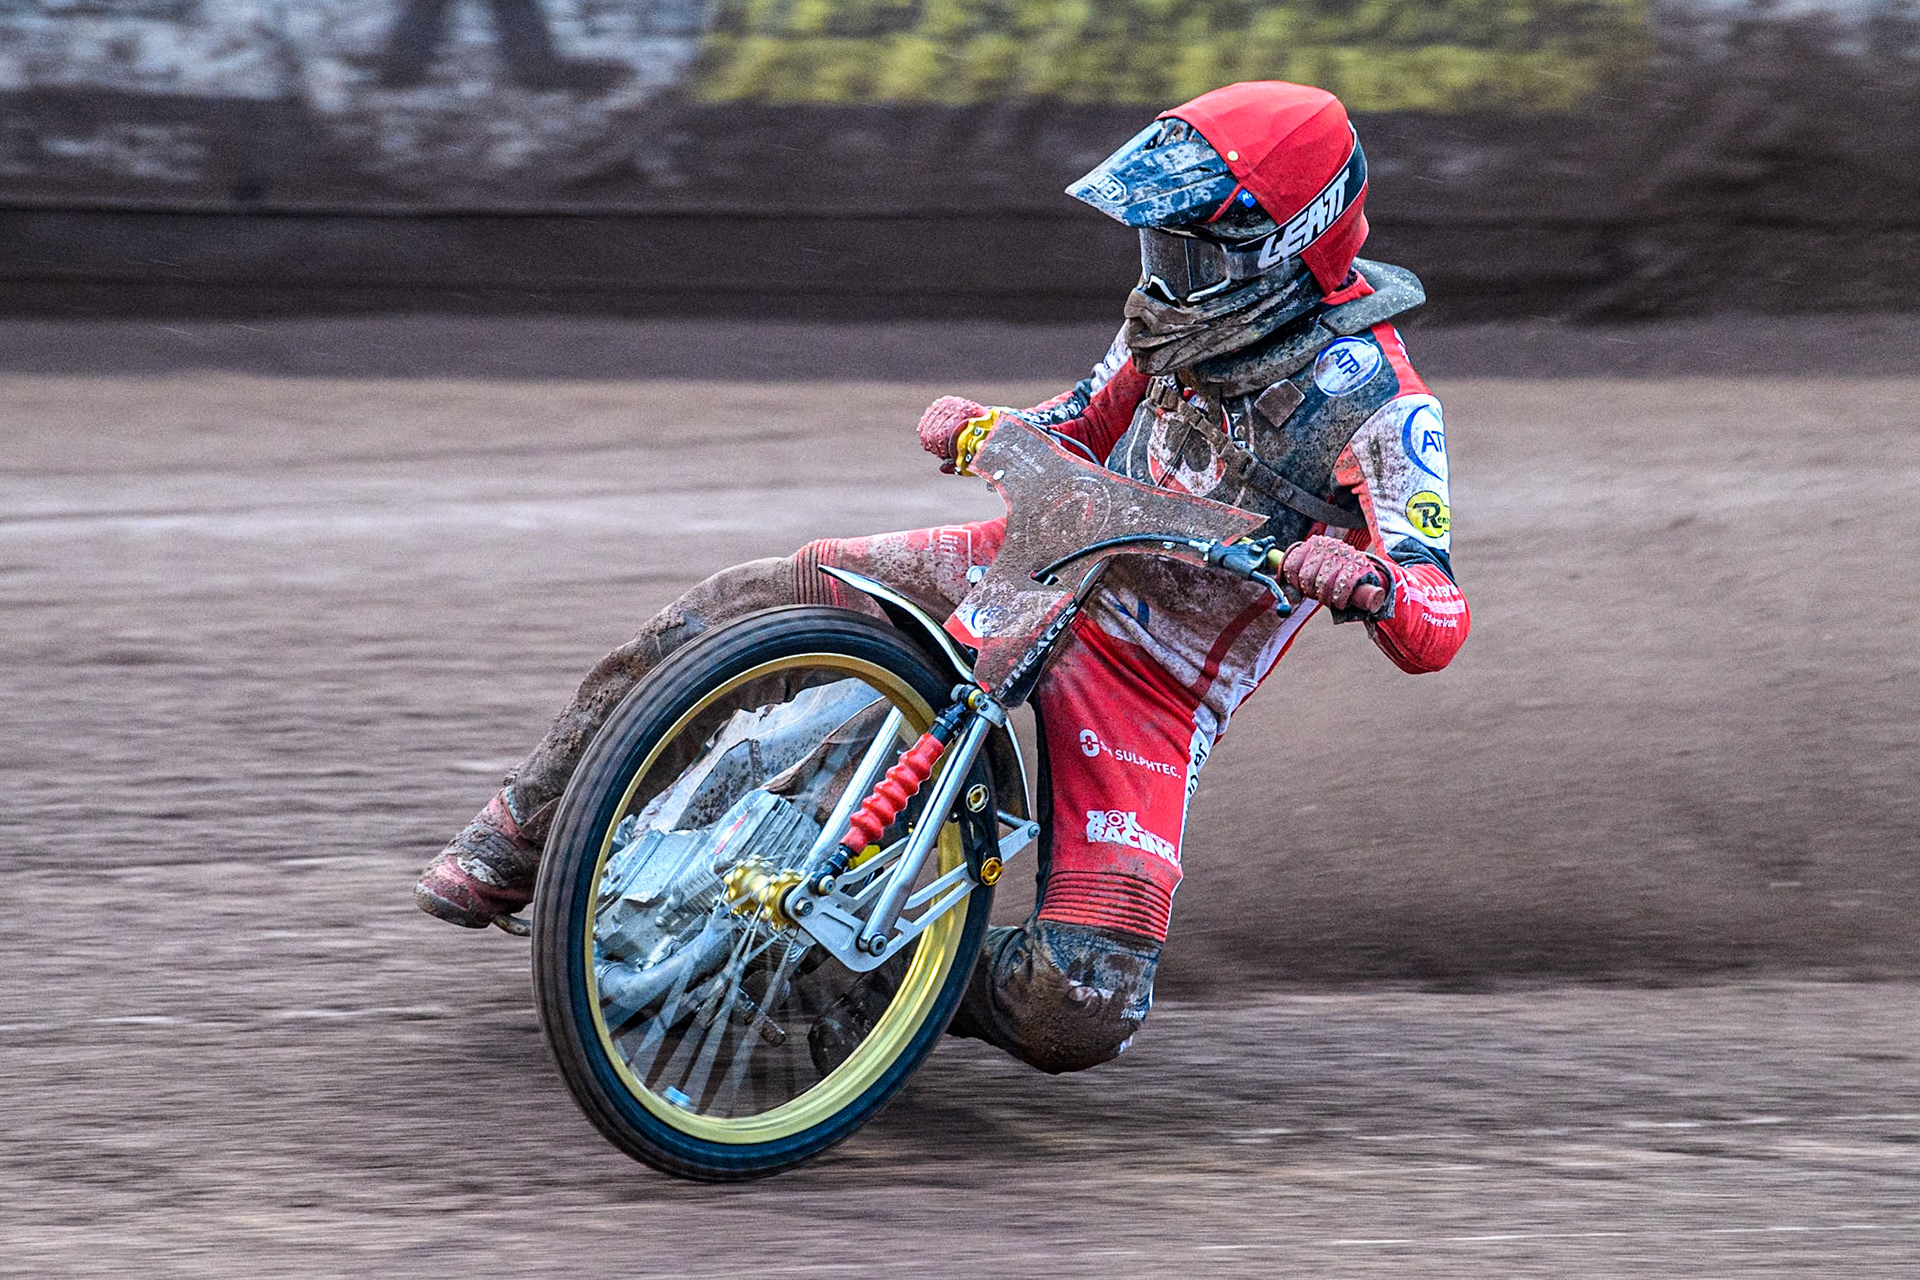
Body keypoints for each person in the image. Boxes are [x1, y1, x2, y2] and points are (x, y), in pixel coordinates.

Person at [414, 80, 1470, 1074]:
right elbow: (1073, 424)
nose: (1166, 271)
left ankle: (881, 983)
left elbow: (1440, 615)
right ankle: (524, 830)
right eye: (1162, 245)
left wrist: (1368, 582)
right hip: (1035, 562)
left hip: (1154, 681)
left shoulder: (1385, 411)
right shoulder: (1168, 322)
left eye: (1194, 252)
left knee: (1081, 1007)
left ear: (1285, 246)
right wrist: (989, 426)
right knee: (745, 599)